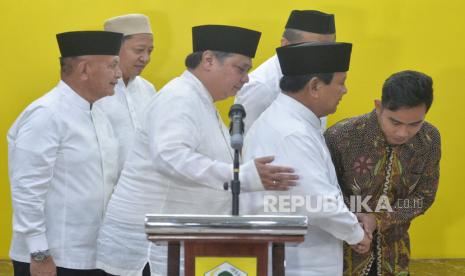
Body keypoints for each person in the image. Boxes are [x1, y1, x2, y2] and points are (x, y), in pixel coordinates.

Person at [96, 24, 298, 276]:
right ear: (209, 60)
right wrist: (240, 176)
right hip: (148, 250)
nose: (246, 78)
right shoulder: (180, 97)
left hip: (178, 243)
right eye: (241, 68)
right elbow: (170, 157)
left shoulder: (200, 100)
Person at [243, 42, 372, 275]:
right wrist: (356, 233)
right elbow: (318, 202)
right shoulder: (292, 132)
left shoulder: (292, 121)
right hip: (299, 263)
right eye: (340, 83)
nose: (345, 90)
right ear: (314, 86)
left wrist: (350, 215)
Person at [8, 31, 123, 276]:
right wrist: (39, 253)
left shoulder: (98, 115)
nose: (118, 74)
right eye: (112, 65)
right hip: (51, 260)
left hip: (93, 256)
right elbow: (26, 188)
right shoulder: (46, 114)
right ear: (84, 69)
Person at [324, 70, 441, 275]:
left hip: (395, 257)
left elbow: (424, 196)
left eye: (414, 124)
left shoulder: (429, 139)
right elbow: (324, 194)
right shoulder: (341, 136)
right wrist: (355, 221)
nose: (403, 133)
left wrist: (379, 219)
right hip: (341, 253)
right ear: (379, 106)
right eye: (395, 122)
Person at [235, 10, 336, 132]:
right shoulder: (260, 87)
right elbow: (244, 146)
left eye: (329, 49)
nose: (321, 57)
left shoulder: (320, 78)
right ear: (285, 45)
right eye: (312, 49)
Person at [96, 14, 157, 171]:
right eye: (139, 50)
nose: (146, 58)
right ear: (114, 48)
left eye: (150, 51)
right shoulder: (95, 92)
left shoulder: (148, 89)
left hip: (142, 187)